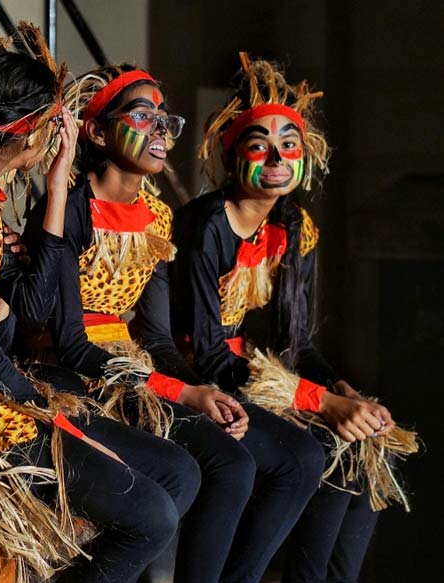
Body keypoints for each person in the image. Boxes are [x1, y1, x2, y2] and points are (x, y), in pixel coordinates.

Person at [0, 14, 200, 583]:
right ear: (27, 132)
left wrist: (56, 188)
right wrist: (40, 402)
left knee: (171, 481)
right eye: (54, 123)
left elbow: (26, 307)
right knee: (149, 517)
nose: (60, 134)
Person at [174, 52, 416, 582]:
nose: (278, 157)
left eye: (289, 144)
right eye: (260, 145)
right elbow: (208, 353)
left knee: (368, 448)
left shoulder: (292, 225)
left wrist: (343, 391)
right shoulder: (208, 225)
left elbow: (296, 346)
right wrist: (319, 403)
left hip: (247, 372)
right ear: (230, 153)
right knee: (324, 449)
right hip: (194, 375)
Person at [20, 64, 258, 583]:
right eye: (141, 116)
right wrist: (180, 394)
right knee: (181, 473)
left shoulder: (157, 216)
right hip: (68, 369)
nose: (159, 131)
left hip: (127, 367)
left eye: (163, 120)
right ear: (99, 132)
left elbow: (154, 336)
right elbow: (69, 343)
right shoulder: (67, 208)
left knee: (235, 464)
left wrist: (202, 389)